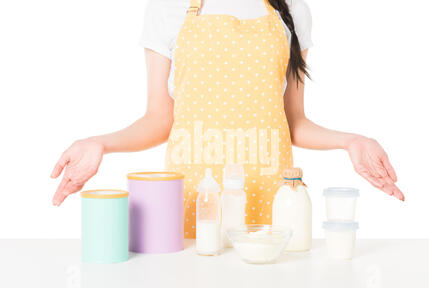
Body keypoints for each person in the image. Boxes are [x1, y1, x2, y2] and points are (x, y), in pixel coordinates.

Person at [51, 0, 404, 239]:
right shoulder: (169, 6)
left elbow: (293, 122)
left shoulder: (291, 8)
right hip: (192, 204)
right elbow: (160, 119)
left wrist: (352, 142)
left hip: (272, 209)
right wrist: (100, 143)